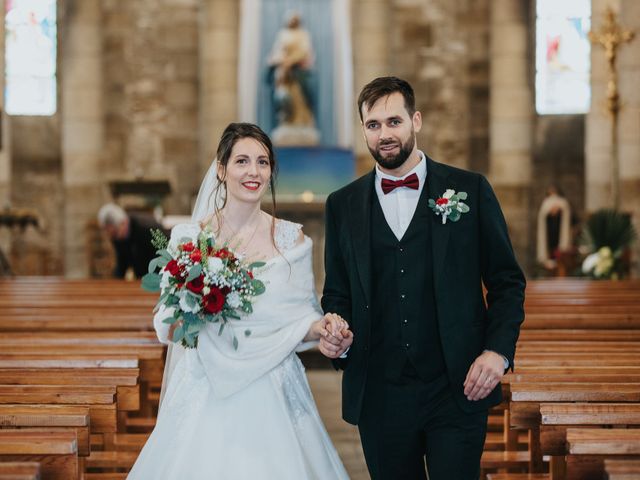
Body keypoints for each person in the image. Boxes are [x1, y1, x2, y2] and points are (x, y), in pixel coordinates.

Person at [319, 77, 526, 480]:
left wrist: (496, 353)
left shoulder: (470, 189)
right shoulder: (341, 205)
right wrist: (337, 335)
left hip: (457, 386)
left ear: (416, 120)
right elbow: (337, 293)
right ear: (363, 130)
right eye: (373, 125)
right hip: (380, 393)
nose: (385, 134)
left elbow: (507, 282)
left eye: (394, 121)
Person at [127, 123, 350, 479]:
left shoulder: (292, 239)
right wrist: (190, 303)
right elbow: (168, 328)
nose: (253, 171)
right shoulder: (191, 239)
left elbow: (303, 320)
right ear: (221, 168)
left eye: (263, 162)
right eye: (242, 161)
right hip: (205, 385)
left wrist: (323, 327)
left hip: (274, 384)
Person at [266, 12, 319, 145]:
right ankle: (287, 121)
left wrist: (291, 61)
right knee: (285, 99)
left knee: (300, 100)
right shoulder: (283, 34)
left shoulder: (303, 34)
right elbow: (277, 51)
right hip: (285, 75)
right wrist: (282, 61)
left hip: (298, 73)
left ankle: (301, 123)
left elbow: (305, 51)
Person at [97, 203, 162, 278]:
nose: (115, 238)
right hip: (142, 277)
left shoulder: (148, 228)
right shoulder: (117, 237)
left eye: (115, 233)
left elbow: (163, 253)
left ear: (123, 223)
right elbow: (121, 264)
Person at [536, 185, 572, 270]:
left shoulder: (563, 202)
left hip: (559, 230)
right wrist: (550, 211)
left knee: (559, 249)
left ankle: (559, 262)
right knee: (550, 248)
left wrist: (559, 210)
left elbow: (567, 214)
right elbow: (543, 215)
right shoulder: (545, 202)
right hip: (549, 230)